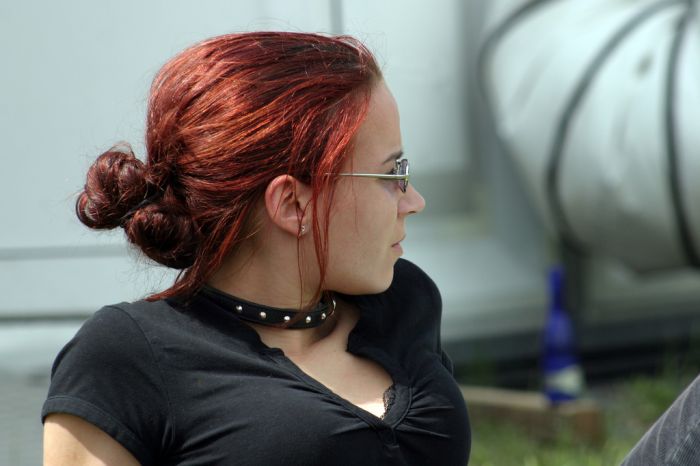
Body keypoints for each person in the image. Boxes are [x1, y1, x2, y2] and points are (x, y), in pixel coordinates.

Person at [41, 31, 470, 465]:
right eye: (392, 174)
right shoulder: (124, 357)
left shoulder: (403, 301)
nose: (414, 202)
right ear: (292, 205)